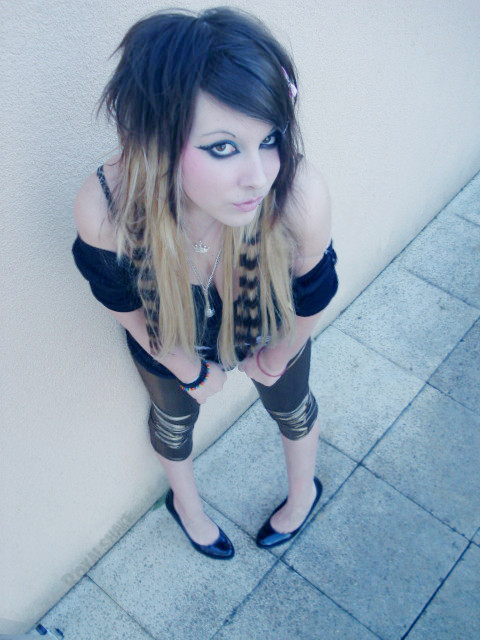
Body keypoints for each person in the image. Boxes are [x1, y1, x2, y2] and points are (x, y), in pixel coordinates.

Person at [72, 7, 338, 560]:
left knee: (293, 408)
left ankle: (303, 494)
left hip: (268, 319)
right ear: (158, 139)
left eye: (270, 139)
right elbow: (117, 298)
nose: (258, 177)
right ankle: (187, 508)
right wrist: (184, 366)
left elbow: (315, 288)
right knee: (172, 424)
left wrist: (281, 353)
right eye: (223, 147)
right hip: (167, 331)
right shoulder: (107, 210)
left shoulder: (297, 195)